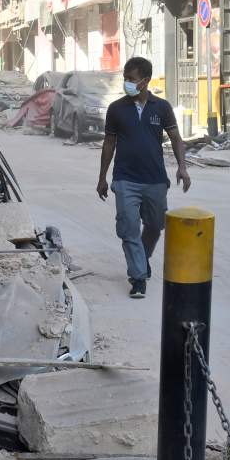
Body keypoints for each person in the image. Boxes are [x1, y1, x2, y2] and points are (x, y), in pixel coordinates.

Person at [96, 57, 191, 299]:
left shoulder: (162, 107)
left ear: (145, 81)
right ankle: (138, 277)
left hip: (155, 179)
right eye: (125, 78)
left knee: (155, 225)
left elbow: (176, 138)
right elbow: (109, 144)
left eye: (131, 79)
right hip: (125, 178)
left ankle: (142, 259)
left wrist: (182, 167)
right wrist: (102, 177)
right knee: (128, 228)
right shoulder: (116, 109)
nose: (127, 83)